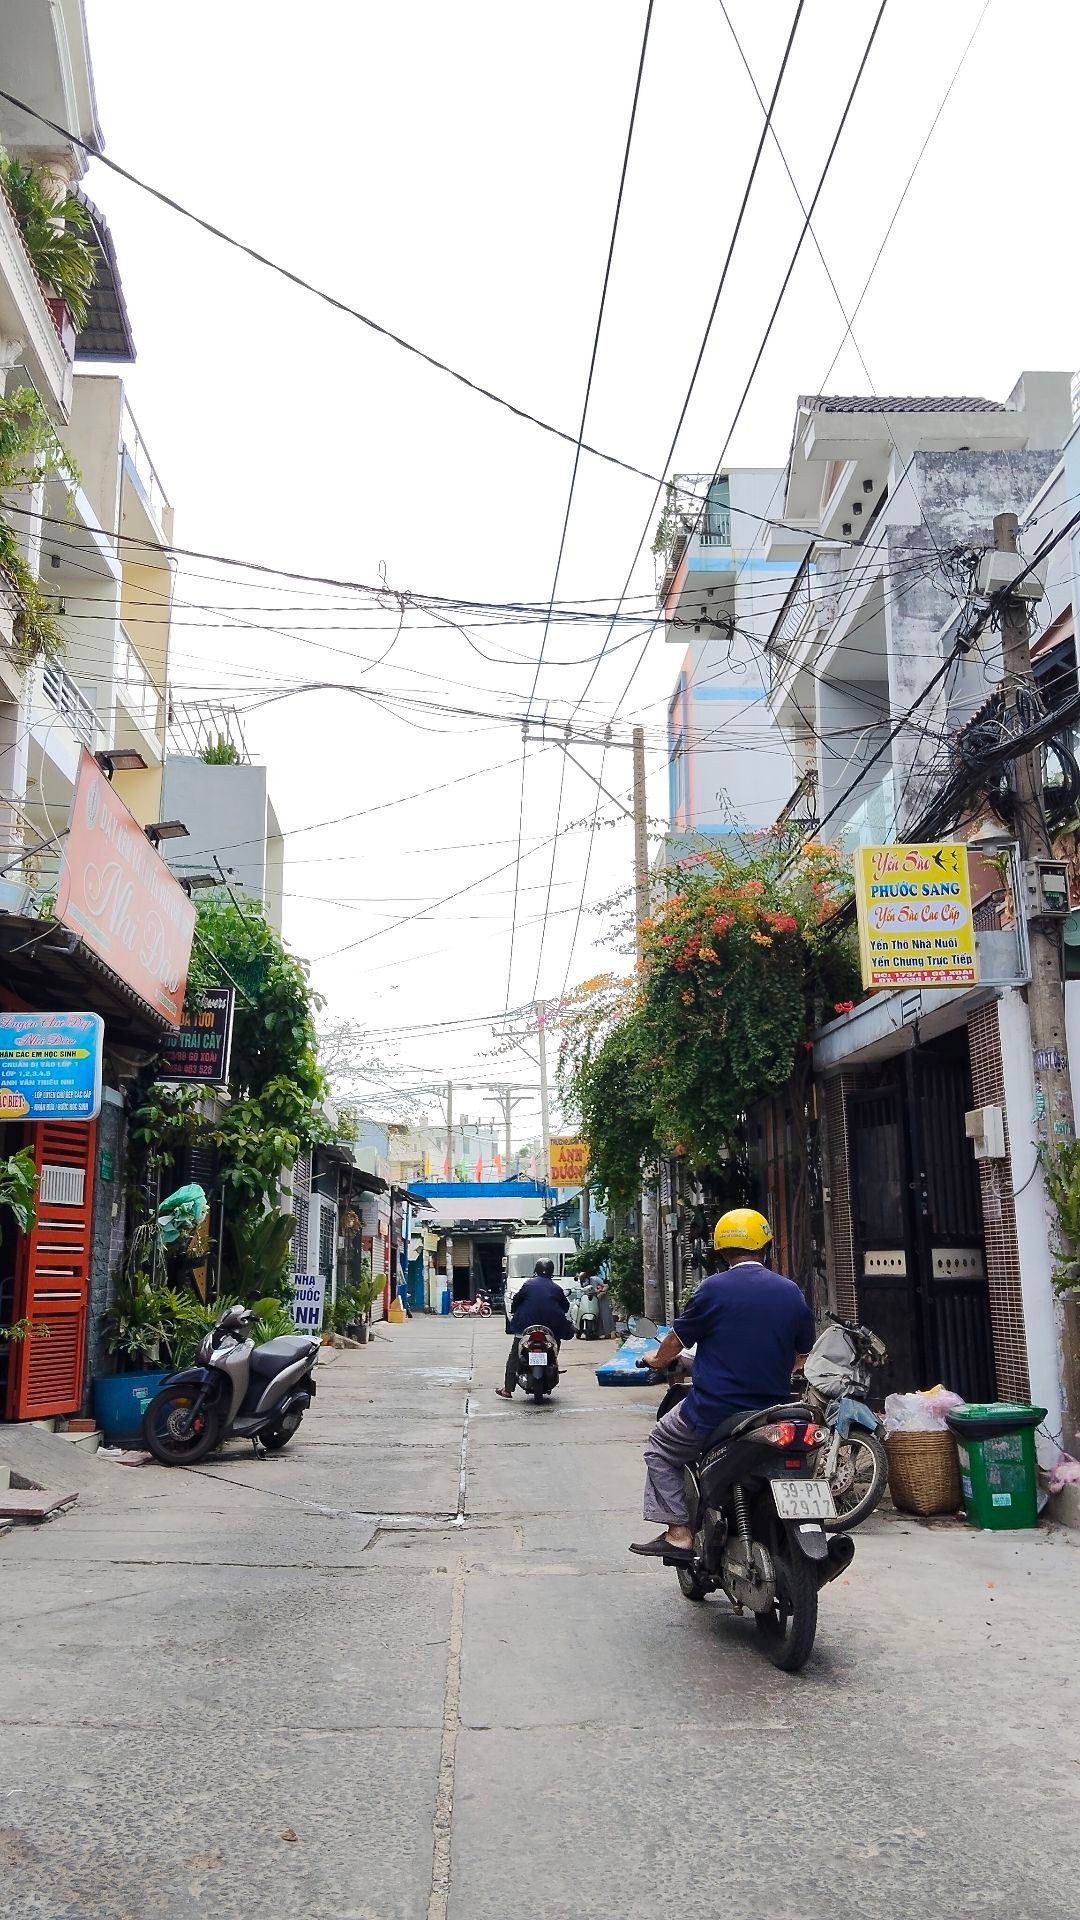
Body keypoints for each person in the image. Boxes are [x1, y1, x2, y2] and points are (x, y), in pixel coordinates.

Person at [629, 1208, 815, 1562]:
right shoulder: (790, 1291)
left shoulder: (712, 1289)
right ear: (765, 1246)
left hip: (715, 1411)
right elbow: (802, 1353)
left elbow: (676, 1340)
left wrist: (658, 1360)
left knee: (660, 1447)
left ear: (722, 1249)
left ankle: (679, 1535)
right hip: (773, 1412)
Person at [496, 1258, 576, 1398]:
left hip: (525, 1326)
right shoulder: (556, 1288)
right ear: (552, 1272)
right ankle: (552, 1363)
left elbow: (516, 1301)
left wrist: (514, 1311)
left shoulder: (528, 1284)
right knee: (556, 1343)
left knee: (515, 1355)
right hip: (551, 1327)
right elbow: (565, 1307)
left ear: (536, 1270)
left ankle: (508, 1389)